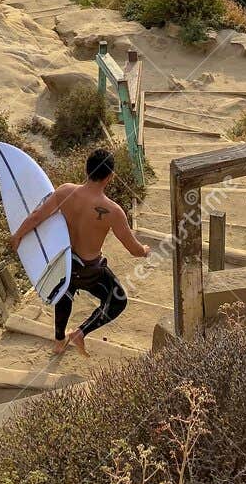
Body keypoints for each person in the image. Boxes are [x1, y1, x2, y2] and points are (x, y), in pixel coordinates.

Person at [10, 148, 149, 356]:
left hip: (65, 262)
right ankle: (81, 332)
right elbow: (133, 249)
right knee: (118, 301)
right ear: (110, 177)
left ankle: (59, 342)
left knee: (65, 291)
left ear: (87, 169)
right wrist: (145, 250)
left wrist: (18, 235)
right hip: (90, 271)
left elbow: (37, 216)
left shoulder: (65, 191)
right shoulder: (113, 211)